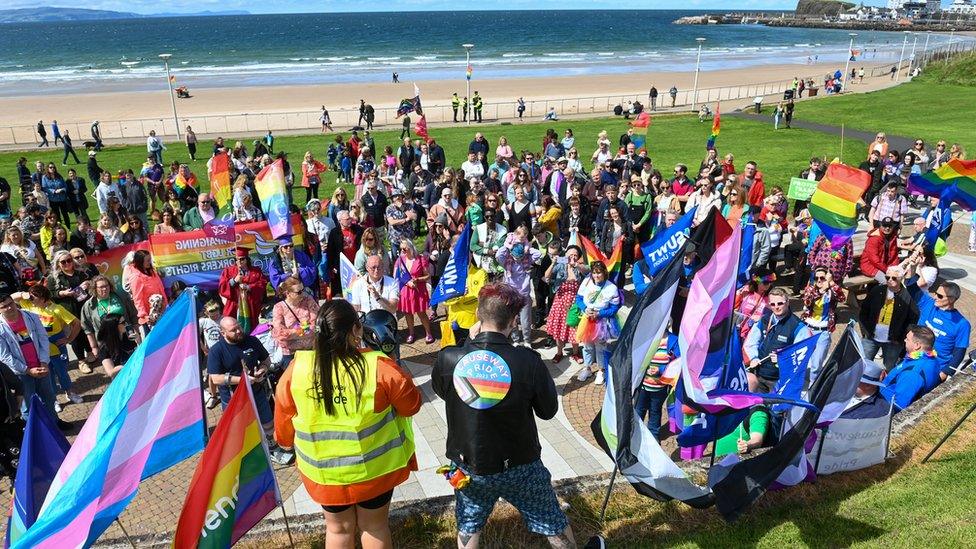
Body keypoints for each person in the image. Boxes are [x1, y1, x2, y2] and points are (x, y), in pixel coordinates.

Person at [431, 283, 576, 549]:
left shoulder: (448, 358)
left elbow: (445, 393)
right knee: (552, 522)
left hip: (469, 465)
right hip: (521, 464)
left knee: (468, 527)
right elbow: (548, 411)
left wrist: (468, 345)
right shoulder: (528, 360)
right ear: (512, 322)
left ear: (477, 314)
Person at [275, 299, 420, 547]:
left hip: (324, 474)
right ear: (357, 329)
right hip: (375, 471)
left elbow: (283, 432)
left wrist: (286, 443)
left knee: (338, 530)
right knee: (374, 526)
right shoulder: (379, 366)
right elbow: (412, 406)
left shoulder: (296, 370)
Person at [12, 285, 82, 409]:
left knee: (62, 372)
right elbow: (12, 298)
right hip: (40, 348)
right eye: (31, 296)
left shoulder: (57, 309)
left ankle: (70, 393)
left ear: (43, 298)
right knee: (48, 375)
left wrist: (68, 339)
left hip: (56, 345)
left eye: (34, 297)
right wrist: (24, 295)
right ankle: (54, 399)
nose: (31, 299)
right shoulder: (29, 307)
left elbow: (76, 323)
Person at [0, 293, 60, 422]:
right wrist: (27, 370)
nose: (9, 308)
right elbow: (4, 356)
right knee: (27, 406)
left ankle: (55, 424)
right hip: (21, 373)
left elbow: (43, 338)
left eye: (10, 304)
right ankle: (32, 433)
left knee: (49, 398)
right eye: (4, 307)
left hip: (41, 366)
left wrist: (44, 362)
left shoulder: (31, 317)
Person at [208, 316, 275, 433]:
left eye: (238, 326)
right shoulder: (216, 350)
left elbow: (266, 361)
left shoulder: (252, 341)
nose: (238, 331)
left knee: (267, 422)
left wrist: (262, 371)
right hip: (233, 399)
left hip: (257, 392)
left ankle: (272, 446)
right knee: (239, 431)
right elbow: (216, 379)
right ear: (222, 333)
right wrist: (243, 380)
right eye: (233, 330)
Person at [744, 288, 813, 393]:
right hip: (759, 375)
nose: (776, 307)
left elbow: (802, 356)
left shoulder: (798, 327)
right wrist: (753, 358)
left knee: (776, 409)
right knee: (755, 407)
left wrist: (783, 359)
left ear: (787, 302)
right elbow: (750, 343)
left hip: (780, 380)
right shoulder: (764, 320)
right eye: (773, 304)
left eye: (780, 303)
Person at [907, 278, 970, 381]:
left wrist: (944, 373)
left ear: (952, 299)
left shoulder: (962, 324)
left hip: (933, 369)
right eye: (936, 293)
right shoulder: (929, 304)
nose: (935, 297)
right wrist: (911, 270)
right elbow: (911, 288)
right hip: (913, 358)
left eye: (940, 296)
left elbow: (959, 353)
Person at [859, 266, 919, 369]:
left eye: (894, 278)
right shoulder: (877, 291)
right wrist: (865, 331)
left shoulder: (907, 297)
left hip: (893, 342)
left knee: (889, 367)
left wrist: (900, 338)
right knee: (863, 364)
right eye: (887, 278)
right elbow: (864, 311)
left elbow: (913, 318)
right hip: (871, 337)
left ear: (901, 278)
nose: (890, 280)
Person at [575, 261, 621, 385]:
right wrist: (585, 309)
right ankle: (587, 368)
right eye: (594, 273)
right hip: (587, 319)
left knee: (601, 347)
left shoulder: (611, 288)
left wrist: (599, 313)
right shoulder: (586, 281)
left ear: (604, 273)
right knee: (587, 345)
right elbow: (578, 298)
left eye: (599, 273)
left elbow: (614, 308)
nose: (596, 276)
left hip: (602, 322)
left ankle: (601, 370)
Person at [495, 228, 540, 346]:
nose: (517, 259)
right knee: (512, 319)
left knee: (525, 321)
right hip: (510, 295)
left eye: (519, 256)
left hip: (524, 294)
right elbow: (499, 255)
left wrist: (526, 247)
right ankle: (515, 340)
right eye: (515, 256)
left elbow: (538, 254)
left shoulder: (527, 260)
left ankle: (527, 340)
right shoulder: (506, 262)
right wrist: (509, 245)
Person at [881, 326, 941, 412]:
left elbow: (898, 406)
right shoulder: (932, 359)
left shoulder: (913, 374)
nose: (905, 340)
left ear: (917, 345)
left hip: (884, 408)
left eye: (907, 339)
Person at [545, 245, 587, 365]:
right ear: (565, 254)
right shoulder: (559, 264)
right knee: (558, 328)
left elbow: (585, 272)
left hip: (574, 303)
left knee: (574, 327)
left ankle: (575, 352)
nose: (572, 257)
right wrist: (553, 263)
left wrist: (575, 265)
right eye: (570, 254)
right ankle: (559, 352)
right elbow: (547, 275)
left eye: (575, 255)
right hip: (560, 302)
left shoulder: (579, 267)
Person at [271, 276, 319, 377]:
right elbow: (281, 335)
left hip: (311, 350)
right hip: (291, 355)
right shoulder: (279, 307)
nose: (304, 294)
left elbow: (317, 327)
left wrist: (292, 332)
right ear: (288, 293)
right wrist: (306, 330)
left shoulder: (309, 300)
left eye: (303, 289)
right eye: (299, 292)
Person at [218, 247, 268, 334]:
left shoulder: (256, 271)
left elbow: (262, 284)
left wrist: (249, 287)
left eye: (242, 259)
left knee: (251, 329)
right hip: (234, 305)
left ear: (247, 259)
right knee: (232, 327)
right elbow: (222, 286)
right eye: (237, 260)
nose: (239, 262)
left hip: (250, 305)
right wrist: (234, 280)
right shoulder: (228, 271)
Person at [394, 241, 433, 344]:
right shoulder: (400, 260)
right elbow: (396, 276)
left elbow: (428, 275)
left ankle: (428, 332)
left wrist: (418, 279)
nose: (402, 251)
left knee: (421, 313)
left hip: (418, 290)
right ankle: (411, 333)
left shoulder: (420, 259)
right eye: (401, 249)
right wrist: (406, 283)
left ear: (411, 248)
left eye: (404, 249)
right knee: (408, 314)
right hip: (406, 291)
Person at [326, 211, 363, 299]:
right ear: (340, 221)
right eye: (347, 219)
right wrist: (331, 266)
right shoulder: (334, 233)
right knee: (341, 289)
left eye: (350, 218)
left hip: (355, 263)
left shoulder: (358, 230)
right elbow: (330, 251)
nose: (349, 221)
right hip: (340, 265)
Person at [799, 268, 845, 333]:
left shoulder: (831, 291)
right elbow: (807, 302)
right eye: (816, 278)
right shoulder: (810, 289)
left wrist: (831, 283)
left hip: (824, 328)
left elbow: (842, 299)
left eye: (822, 278)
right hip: (808, 324)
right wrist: (822, 290)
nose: (819, 280)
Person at [94, 314, 136, 378]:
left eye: (125, 321)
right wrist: (125, 366)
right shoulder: (105, 348)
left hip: (136, 372)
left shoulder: (128, 337)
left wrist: (138, 339)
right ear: (113, 327)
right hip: (122, 378)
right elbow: (110, 372)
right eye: (123, 323)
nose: (126, 324)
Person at [861, 217, 901, 282]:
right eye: (885, 226)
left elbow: (894, 256)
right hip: (870, 266)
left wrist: (894, 268)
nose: (887, 228)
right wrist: (887, 270)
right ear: (880, 226)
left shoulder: (893, 237)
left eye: (890, 226)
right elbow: (874, 260)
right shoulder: (874, 239)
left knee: (899, 278)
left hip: (885, 265)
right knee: (888, 281)